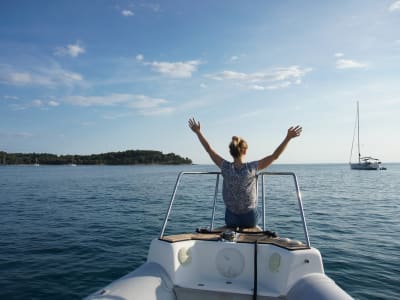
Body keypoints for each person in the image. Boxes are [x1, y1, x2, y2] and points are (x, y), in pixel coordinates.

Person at [188, 118, 302, 228]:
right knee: (259, 210)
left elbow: (209, 150)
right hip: (250, 219)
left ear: (231, 152)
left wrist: (198, 132)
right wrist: (288, 138)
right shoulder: (252, 168)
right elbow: (275, 156)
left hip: (231, 218)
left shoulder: (225, 167)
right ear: (245, 151)